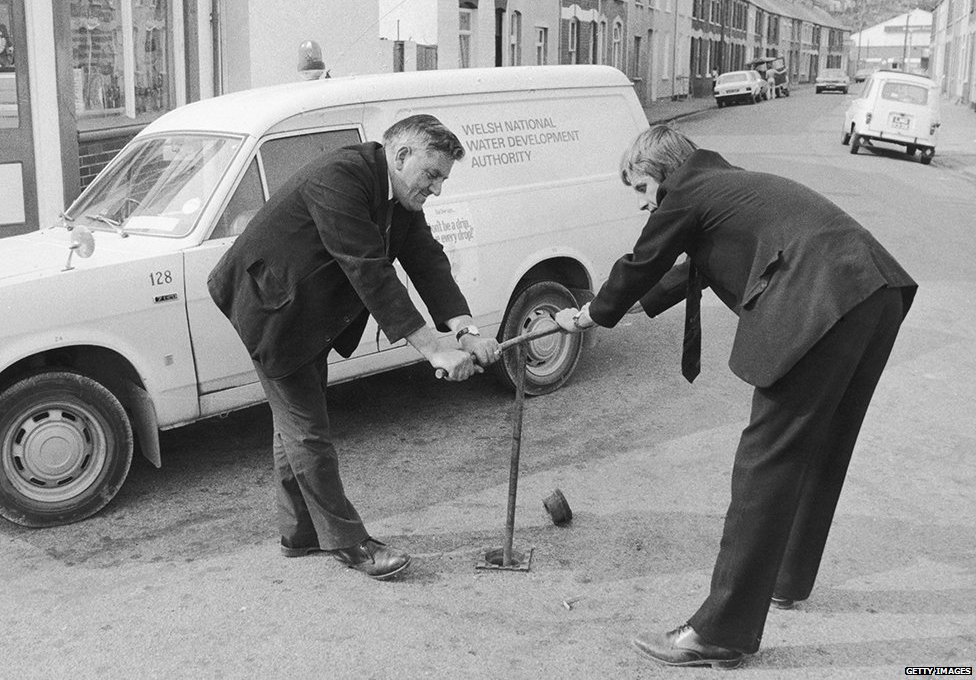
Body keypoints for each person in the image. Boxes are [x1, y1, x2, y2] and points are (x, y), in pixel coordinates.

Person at [555, 125, 916, 668]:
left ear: (661, 172)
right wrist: (629, 306)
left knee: (763, 464)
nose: (641, 203)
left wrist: (591, 313)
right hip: (875, 290)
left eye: (639, 188)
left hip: (823, 301)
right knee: (820, 444)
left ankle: (720, 631)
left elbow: (642, 260)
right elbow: (688, 268)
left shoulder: (688, 191)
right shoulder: (728, 185)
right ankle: (787, 579)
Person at [208, 114, 501, 580]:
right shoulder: (340, 176)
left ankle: (299, 533)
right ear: (401, 156)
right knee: (307, 430)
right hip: (272, 311)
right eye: (432, 176)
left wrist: (465, 331)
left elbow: (426, 260)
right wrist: (433, 349)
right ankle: (350, 544)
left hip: (310, 311)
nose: (437, 189)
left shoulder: (399, 194)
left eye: (443, 179)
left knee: (296, 425)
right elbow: (368, 267)